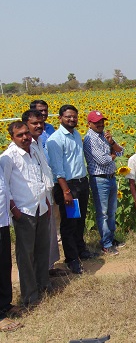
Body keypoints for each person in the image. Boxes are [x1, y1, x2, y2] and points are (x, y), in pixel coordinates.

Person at [0, 121, 52, 306]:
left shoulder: (35, 150)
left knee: (42, 250)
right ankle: (30, 296)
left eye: (26, 134)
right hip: (24, 210)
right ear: (12, 138)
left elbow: (40, 176)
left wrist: (45, 199)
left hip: (40, 206)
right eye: (19, 135)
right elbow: (4, 186)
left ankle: (44, 285)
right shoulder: (8, 157)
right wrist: (14, 210)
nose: (25, 137)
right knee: (26, 255)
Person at [47, 105, 97, 275]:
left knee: (80, 219)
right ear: (60, 118)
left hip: (81, 183)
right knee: (69, 223)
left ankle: (80, 250)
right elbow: (57, 168)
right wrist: (66, 191)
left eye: (74, 117)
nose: (72, 119)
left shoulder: (76, 134)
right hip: (68, 186)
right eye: (68, 117)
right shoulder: (55, 139)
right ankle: (71, 259)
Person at [22, 110, 68, 277]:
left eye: (41, 123)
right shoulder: (23, 146)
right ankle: (38, 274)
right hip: (31, 201)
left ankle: (48, 268)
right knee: (37, 240)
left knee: (48, 236)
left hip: (45, 196)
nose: (39, 126)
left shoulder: (40, 141)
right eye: (35, 123)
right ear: (25, 125)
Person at [83, 110, 124, 256]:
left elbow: (121, 151)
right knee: (103, 213)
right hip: (99, 179)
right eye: (96, 122)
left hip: (110, 177)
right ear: (89, 124)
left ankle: (111, 239)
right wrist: (112, 154)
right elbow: (103, 160)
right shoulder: (89, 139)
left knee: (111, 212)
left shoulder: (104, 136)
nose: (100, 124)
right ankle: (106, 244)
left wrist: (112, 143)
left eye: (101, 121)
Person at [0, 167, 23, 332]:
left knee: (4, 264)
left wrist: (12, 206)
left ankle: (4, 304)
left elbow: (4, 188)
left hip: (2, 220)